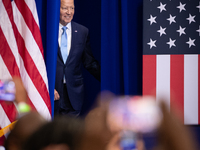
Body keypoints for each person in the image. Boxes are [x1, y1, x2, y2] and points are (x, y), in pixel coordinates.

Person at [54, 0, 101, 116]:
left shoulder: (82, 31)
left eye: (72, 8)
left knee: (71, 133)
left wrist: (106, 78)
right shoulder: (49, 30)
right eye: (65, 8)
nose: (69, 12)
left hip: (74, 94)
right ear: (57, 9)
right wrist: (47, 86)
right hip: (53, 92)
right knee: (53, 133)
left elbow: (89, 62)